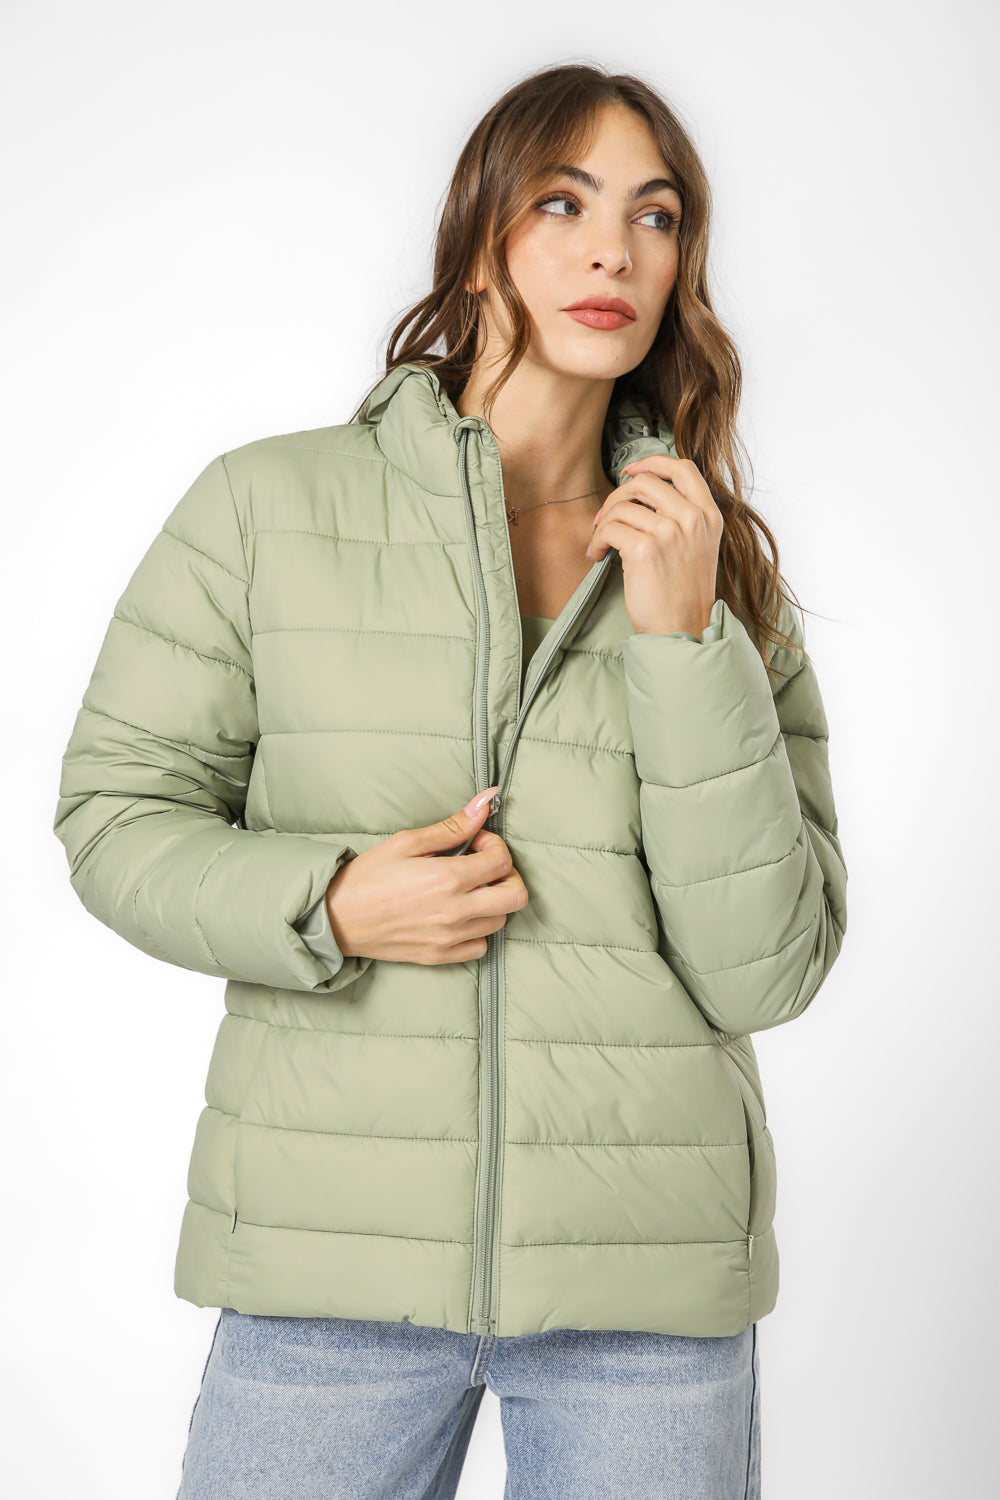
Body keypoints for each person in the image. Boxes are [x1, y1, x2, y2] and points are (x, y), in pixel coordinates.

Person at [52, 61, 847, 1500]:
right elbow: (115, 816)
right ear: (482, 235)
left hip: (647, 1288)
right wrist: (327, 904)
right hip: (326, 1259)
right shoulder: (267, 508)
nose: (615, 253)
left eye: (656, 216)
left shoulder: (713, 569)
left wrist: (683, 647)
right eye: (565, 204)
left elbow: (766, 970)